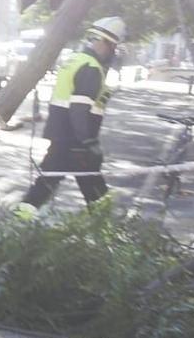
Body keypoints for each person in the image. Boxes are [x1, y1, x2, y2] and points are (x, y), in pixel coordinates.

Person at [19, 16, 125, 213]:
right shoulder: (91, 67)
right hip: (75, 140)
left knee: (49, 183)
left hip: (62, 135)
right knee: (91, 187)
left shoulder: (75, 60)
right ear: (103, 42)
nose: (114, 53)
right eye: (113, 47)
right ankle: (106, 229)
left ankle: (19, 219)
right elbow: (79, 109)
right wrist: (87, 142)